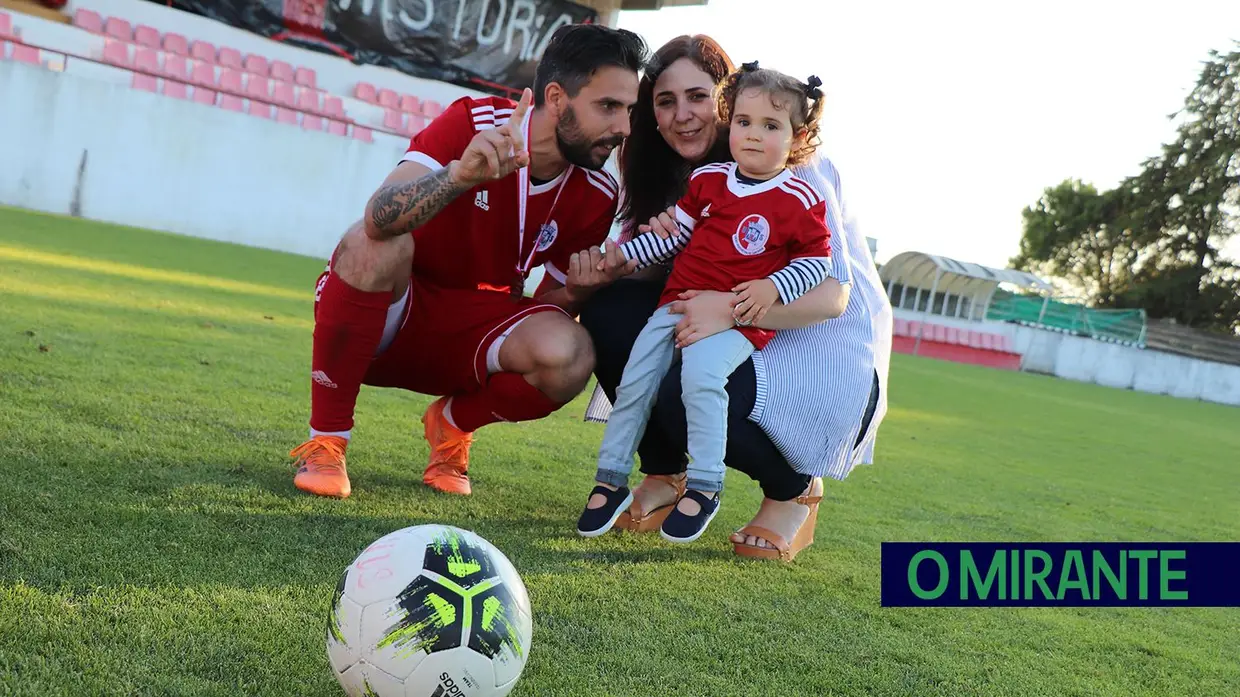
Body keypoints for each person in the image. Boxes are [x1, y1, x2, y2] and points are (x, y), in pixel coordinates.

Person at [288, 24, 647, 499]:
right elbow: (377, 217)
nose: (623, 128)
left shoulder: (597, 189)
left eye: (629, 111)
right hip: (394, 316)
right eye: (608, 107)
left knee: (573, 352)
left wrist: (580, 292)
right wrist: (458, 176)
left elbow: (546, 310)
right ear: (557, 97)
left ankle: (452, 425)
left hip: (475, 334)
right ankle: (327, 442)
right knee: (371, 244)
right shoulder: (472, 121)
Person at [578, 35, 893, 561]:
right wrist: (619, 261)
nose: (684, 115)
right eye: (665, 101)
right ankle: (664, 472)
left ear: (725, 97)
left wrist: (727, 307)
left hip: (812, 338)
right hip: (713, 317)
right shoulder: (693, 178)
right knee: (613, 314)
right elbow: (673, 256)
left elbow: (834, 295)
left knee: (690, 386)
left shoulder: (793, 166)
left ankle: (792, 488)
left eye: (698, 96)